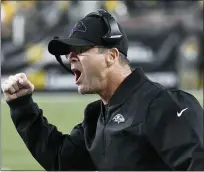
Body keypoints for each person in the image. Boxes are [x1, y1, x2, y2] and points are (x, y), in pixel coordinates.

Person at [2, 9, 204, 171]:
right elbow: (62, 161)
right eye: (70, 52)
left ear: (112, 56)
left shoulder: (163, 105)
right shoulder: (96, 117)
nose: (70, 57)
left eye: (81, 50)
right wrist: (23, 106)